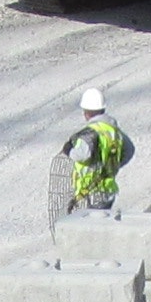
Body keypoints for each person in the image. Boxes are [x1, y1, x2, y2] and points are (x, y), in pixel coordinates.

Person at [62, 84, 131, 213]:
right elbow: (129, 150)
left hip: (91, 192)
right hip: (108, 189)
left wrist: (68, 150)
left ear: (86, 112)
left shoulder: (90, 133)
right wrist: (112, 165)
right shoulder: (114, 131)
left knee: (88, 228)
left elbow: (83, 155)